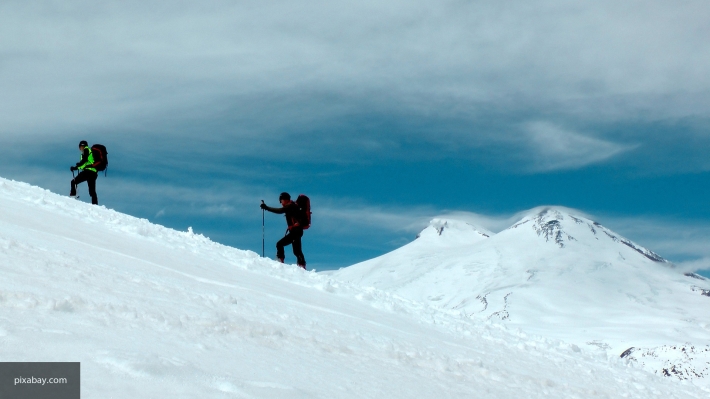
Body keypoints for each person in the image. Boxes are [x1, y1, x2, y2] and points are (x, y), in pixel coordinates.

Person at [261, 192, 307, 269]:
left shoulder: (290, 206)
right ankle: (301, 265)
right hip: (296, 231)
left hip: (295, 231)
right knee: (297, 250)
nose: (280, 202)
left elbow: (280, 210)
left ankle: (280, 260)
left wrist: (266, 208)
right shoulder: (293, 205)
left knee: (280, 244)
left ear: (284, 199)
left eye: (281, 200)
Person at [70, 140, 99, 205]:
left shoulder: (86, 150)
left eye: (80, 147)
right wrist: (78, 166)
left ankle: (73, 196)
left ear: (82, 146)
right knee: (92, 191)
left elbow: (84, 161)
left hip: (88, 172)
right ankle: (95, 204)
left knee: (73, 182)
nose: (80, 148)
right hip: (93, 173)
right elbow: (85, 163)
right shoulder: (88, 151)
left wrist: (76, 167)